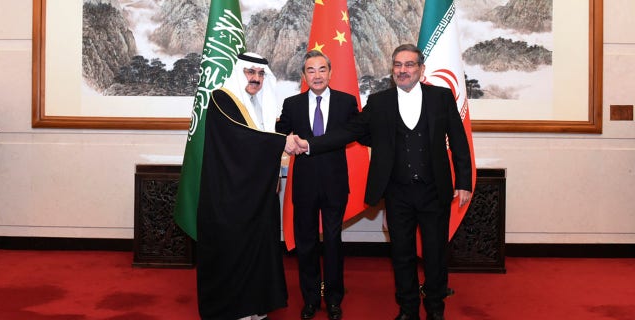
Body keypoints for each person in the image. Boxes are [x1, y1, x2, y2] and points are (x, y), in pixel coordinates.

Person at [287, 44, 472, 320]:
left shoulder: (442, 98)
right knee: (401, 255)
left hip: (435, 191)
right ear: (392, 70)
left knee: (435, 255)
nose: (403, 70)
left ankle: (435, 309)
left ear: (421, 70)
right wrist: (311, 144)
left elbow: (459, 141)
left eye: (409, 65)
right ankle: (408, 309)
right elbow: (350, 131)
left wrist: (465, 181)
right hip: (396, 193)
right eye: (397, 65)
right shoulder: (379, 101)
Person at [196, 52, 288, 320]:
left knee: (259, 249)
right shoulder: (221, 98)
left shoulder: (261, 104)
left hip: (258, 193)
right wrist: (281, 142)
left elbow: (261, 142)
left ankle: (256, 305)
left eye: (260, 74)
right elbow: (240, 138)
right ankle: (233, 309)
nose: (256, 79)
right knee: (234, 250)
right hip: (230, 195)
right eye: (251, 72)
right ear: (239, 72)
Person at [276, 50, 357, 320]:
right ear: (304, 76)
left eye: (322, 69)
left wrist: (309, 144)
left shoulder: (347, 103)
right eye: (311, 70)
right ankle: (310, 298)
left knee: (333, 241)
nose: (317, 75)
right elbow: (280, 134)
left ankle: (334, 299)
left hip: (335, 183)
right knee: (307, 243)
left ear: (330, 73)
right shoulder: (292, 104)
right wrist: (284, 138)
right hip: (305, 185)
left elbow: (348, 134)